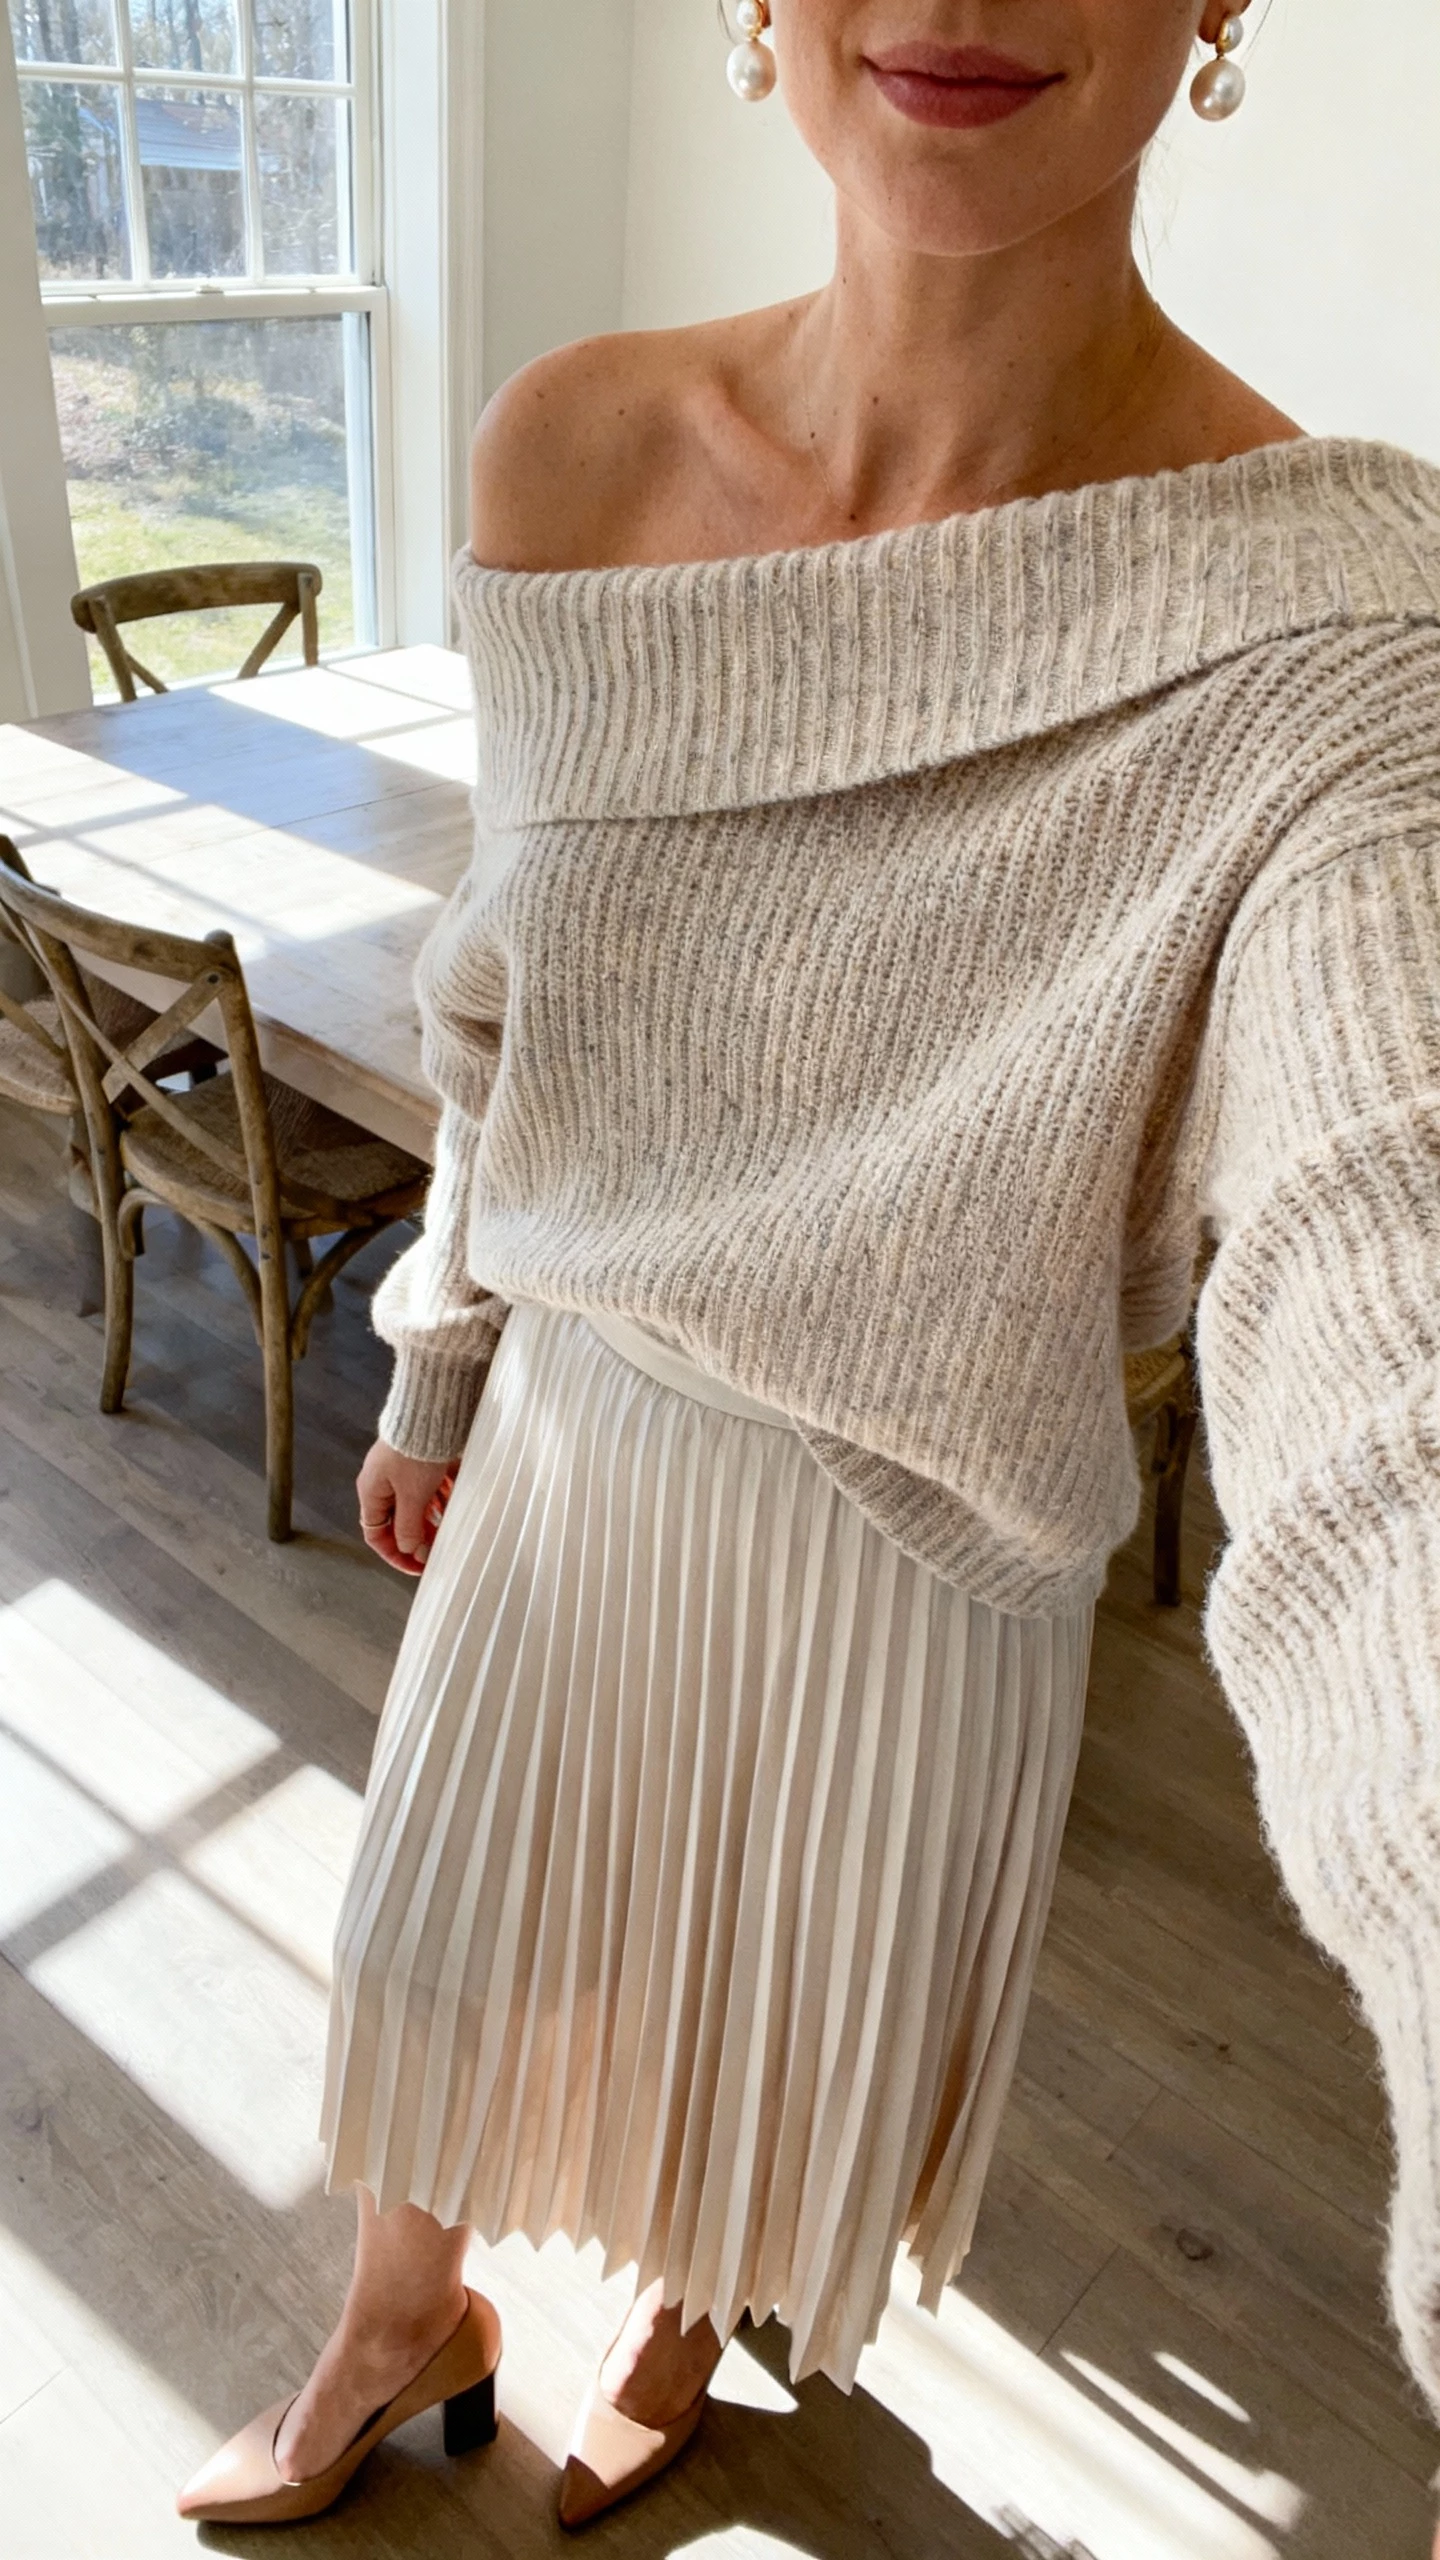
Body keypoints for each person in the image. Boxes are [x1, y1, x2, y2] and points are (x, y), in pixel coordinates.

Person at [178, 0, 1440, 2539]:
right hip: (578, 1448)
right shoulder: (577, 449)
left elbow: (1381, 1280)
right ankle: (396, 2311)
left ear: (1217, 7)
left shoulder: (1341, 622)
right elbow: (509, 994)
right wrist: (435, 1376)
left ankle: (675, 2316)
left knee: (762, 2044)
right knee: (446, 1944)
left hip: (922, 1546)